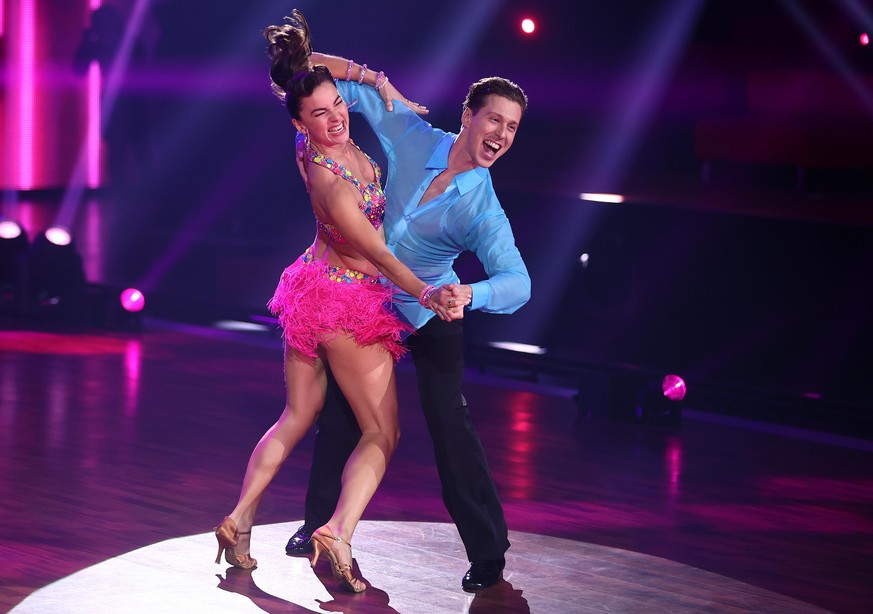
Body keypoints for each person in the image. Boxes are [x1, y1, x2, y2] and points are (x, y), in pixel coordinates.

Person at [213, 10, 465, 594]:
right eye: (320, 114)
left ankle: (240, 518)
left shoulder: (315, 139)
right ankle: (338, 533)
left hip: (308, 288)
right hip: (345, 305)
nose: (334, 119)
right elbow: (377, 254)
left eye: (337, 106)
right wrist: (426, 292)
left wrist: (376, 81)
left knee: (297, 416)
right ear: (301, 124)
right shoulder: (333, 181)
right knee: (383, 432)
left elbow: (305, 70)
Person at [283, 48, 531, 592]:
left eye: (512, 127)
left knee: (449, 425)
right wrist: (373, 79)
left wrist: (470, 291)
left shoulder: (483, 208)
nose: (501, 134)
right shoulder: (413, 135)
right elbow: (306, 76)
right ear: (468, 116)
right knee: (343, 415)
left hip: (429, 309)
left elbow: (519, 283)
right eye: (494, 119)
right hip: (371, 300)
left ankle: (488, 552)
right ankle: (317, 525)